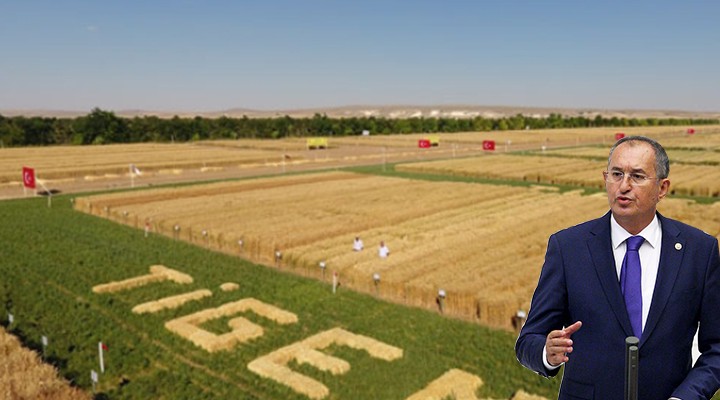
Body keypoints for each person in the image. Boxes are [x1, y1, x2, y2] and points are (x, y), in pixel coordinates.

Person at [515, 136, 720, 399]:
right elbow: (528, 340)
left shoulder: (699, 251)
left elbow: (717, 348)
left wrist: (686, 397)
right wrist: (547, 353)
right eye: (616, 174)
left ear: (662, 188)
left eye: (637, 176)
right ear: (605, 178)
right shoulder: (568, 248)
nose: (623, 186)